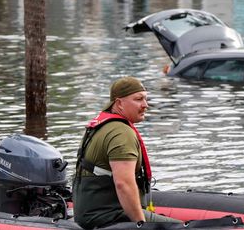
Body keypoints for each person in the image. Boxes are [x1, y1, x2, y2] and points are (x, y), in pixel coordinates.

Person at [72, 77, 181, 229]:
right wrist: (141, 224)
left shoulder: (102, 126)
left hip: (89, 213)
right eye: (138, 99)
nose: (145, 105)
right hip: (108, 216)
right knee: (184, 227)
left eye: (145, 99)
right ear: (119, 103)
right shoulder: (121, 133)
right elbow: (123, 184)